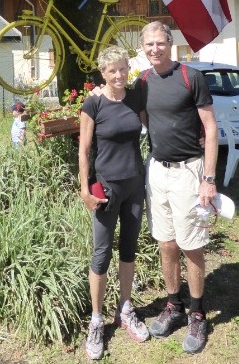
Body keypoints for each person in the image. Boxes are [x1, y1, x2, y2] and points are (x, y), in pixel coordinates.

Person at [136, 21, 218, 354]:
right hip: (157, 171)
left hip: (189, 171)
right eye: (148, 45)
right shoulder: (142, 82)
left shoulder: (190, 77)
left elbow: (210, 129)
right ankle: (174, 305)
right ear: (142, 48)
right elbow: (143, 119)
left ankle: (197, 313)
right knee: (165, 242)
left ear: (170, 43)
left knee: (191, 245)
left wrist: (208, 178)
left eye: (160, 43)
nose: (154, 49)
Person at [79, 46, 150, 361]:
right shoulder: (93, 103)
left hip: (135, 184)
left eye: (123, 69)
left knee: (129, 248)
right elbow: (83, 150)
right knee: (101, 253)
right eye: (113, 71)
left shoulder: (136, 98)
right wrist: (84, 189)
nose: (119, 75)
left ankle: (125, 307)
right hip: (105, 189)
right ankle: (96, 319)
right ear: (103, 74)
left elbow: (157, 120)